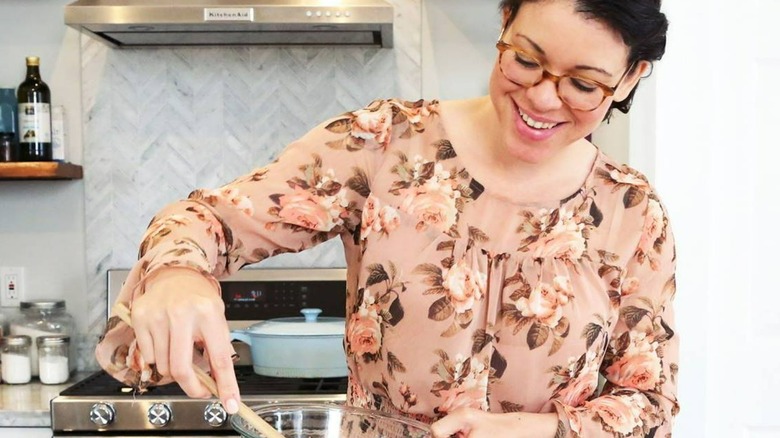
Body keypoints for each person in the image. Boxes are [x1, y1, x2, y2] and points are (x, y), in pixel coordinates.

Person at [96, 0, 677, 436]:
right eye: (525, 60)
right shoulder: (387, 143)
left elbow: (648, 405)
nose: (544, 99)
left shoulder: (630, 211)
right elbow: (208, 220)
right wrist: (178, 275)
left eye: (582, 84)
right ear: (504, 21)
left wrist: (539, 429)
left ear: (630, 77)